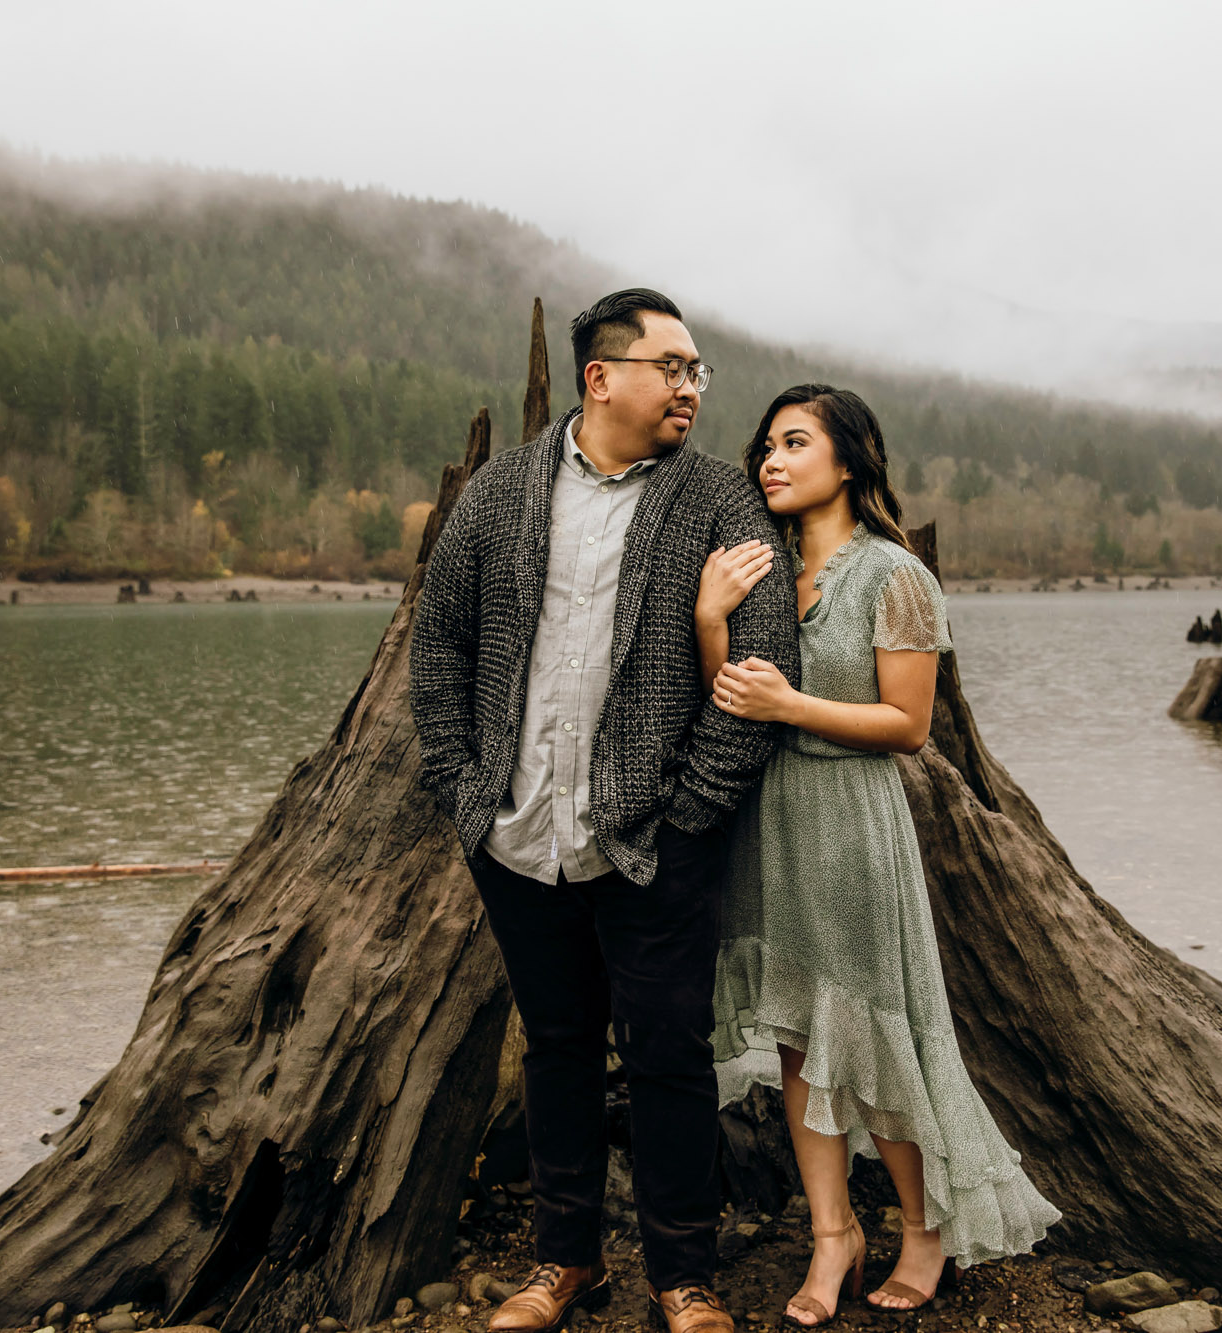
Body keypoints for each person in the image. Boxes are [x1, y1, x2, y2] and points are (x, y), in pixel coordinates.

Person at [408, 289, 800, 1333]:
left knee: (670, 1051)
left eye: (696, 371)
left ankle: (684, 1273)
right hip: (517, 831)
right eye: (671, 367)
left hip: (653, 843)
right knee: (558, 1047)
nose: (690, 386)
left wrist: (692, 813)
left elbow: (763, 660)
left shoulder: (718, 497)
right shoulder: (501, 491)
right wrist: (464, 792)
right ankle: (563, 1263)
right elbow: (438, 642)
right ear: (599, 377)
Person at [694, 385, 1059, 1328]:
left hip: (851, 825)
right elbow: (728, 698)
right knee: (797, 1036)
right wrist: (708, 619)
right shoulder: (756, 568)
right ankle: (832, 1235)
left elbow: (907, 725)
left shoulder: (894, 575)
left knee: (878, 1033)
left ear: (849, 461)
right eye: (765, 444)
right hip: (764, 822)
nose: (770, 459)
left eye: (795, 442)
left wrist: (794, 708)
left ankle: (924, 1229)